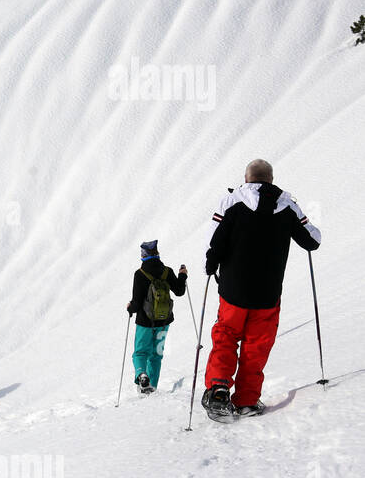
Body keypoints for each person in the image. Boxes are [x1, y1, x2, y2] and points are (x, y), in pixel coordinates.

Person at [202, 159, 322, 416]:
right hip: (268, 293)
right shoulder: (287, 204)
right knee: (257, 346)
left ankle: (219, 389)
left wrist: (211, 265)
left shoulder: (232, 202)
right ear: (270, 179)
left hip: (233, 289)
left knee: (225, 335)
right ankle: (246, 400)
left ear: (247, 179)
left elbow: (215, 239)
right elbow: (312, 240)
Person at [125, 240, 187, 394]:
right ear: (157, 253)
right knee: (156, 355)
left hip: (144, 323)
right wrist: (182, 276)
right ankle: (152, 387)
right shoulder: (167, 271)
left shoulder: (140, 274)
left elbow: (137, 302)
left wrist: (130, 307)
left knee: (140, 352)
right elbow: (179, 291)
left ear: (143, 255)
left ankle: (141, 375)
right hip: (164, 321)